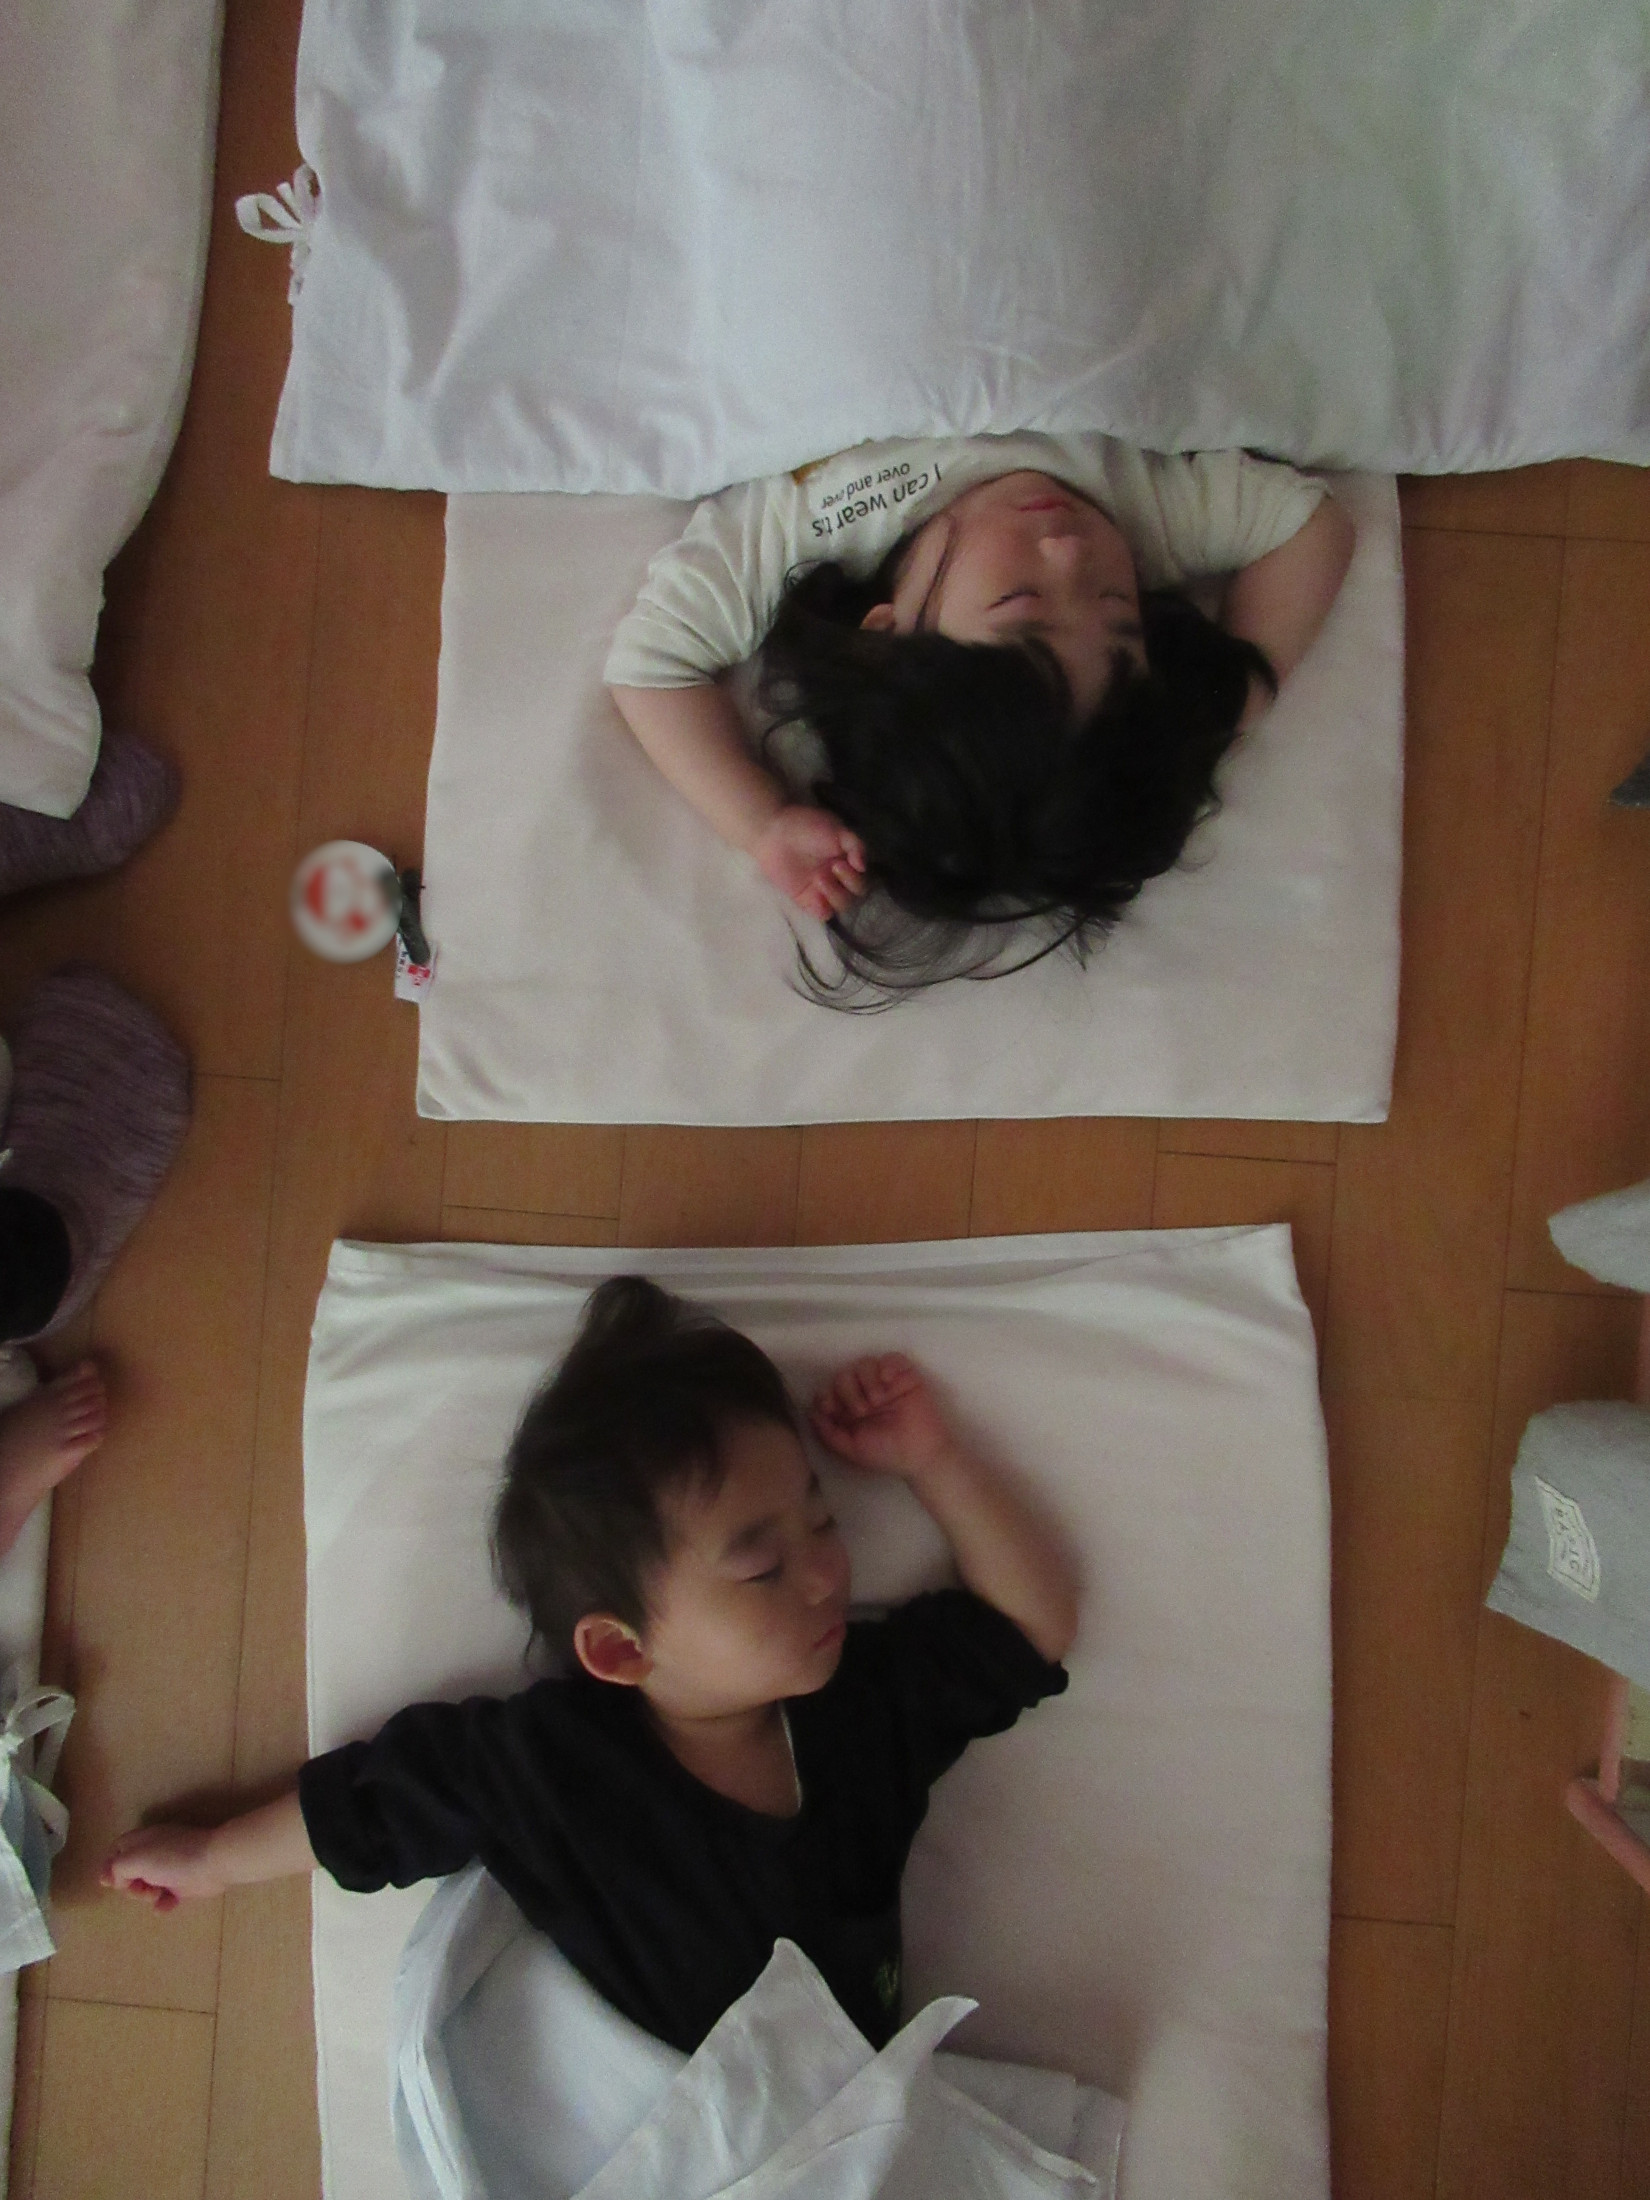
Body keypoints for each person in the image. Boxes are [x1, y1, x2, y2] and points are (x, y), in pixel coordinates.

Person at [102, 1276, 1077, 2052]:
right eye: (762, 1567)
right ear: (621, 1647)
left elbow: (1029, 1627)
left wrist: (935, 1461)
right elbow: (370, 1807)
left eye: (823, 1521)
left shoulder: (861, 1709)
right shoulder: (551, 1766)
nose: (825, 1573)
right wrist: (214, 1858)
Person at [607, 431, 1355, 1001]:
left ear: (886, 636)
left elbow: (651, 668)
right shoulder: (1142, 512)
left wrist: (760, 820)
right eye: (1118, 606)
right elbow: (1309, 524)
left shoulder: (811, 527)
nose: (1070, 551)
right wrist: (1212, 715)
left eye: (1019, 599)